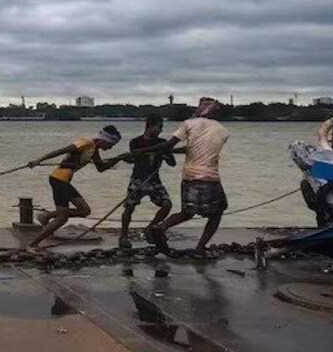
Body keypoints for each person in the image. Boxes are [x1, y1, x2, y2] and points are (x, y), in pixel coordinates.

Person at [145, 97, 229, 256]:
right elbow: (196, 148)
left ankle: (161, 227)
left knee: (187, 212)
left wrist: (147, 151)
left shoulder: (188, 124)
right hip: (210, 177)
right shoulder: (224, 131)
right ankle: (200, 248)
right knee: (217, 213)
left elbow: (170, 145)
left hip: (189, 176)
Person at [25, 125, 126, 253]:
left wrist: (119, 158)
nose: (111, 147)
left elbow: (101, 168)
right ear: (104, 139)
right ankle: (32, 244)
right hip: (58, 179)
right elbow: (61, 150)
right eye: (111, 144)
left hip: (64, 181)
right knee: (62, 218)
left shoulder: (94, 149)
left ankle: (47, 215)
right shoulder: (86, 142)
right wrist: (38, 160)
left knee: (84, 210)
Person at [118, 114, 178, 250]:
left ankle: (150, 228)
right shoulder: (135, 142)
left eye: (161, 128)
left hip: (154, 180)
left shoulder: (163, 142)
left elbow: (172, 163)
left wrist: (166, 152)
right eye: (159, 127)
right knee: (129, 208)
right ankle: (123, 236)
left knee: (167, 204)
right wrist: (127, 158)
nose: (160, 130)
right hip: (138, 179)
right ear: (150, 126)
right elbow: (134, 158)